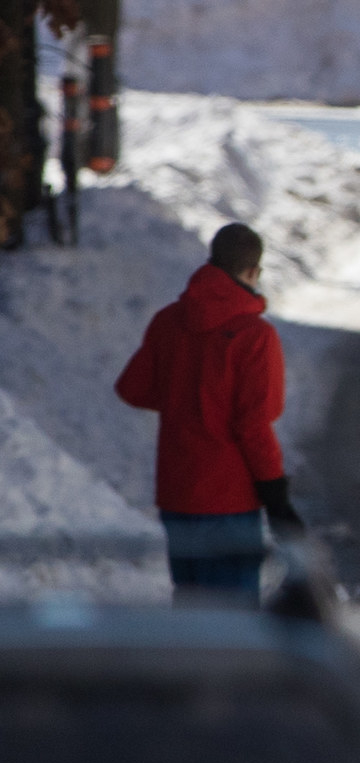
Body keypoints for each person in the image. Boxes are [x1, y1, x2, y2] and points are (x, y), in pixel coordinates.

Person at [114, 222, 303, 603]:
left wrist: (186, 400)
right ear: (253, 272)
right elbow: (252, 425)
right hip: (229, 498)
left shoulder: (168, 321)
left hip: (178, 493)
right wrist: (276, 494)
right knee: (232, 619)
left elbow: (132, 388)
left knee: (192, 608)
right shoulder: (254, 336)